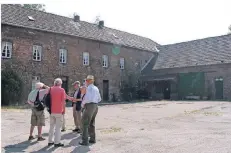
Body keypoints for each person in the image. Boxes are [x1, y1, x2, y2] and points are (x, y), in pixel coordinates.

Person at [48, 78, 72, 147]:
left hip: (51, 111)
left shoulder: (51, 89)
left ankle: (50, 141)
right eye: (61, 83)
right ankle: (57, 142)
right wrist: (63, 110)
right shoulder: (62, 90)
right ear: (60, 83)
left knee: (51, 127)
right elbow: (63, 102)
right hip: (58, 111)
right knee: (58, 128)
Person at [79, 75, 101, 146]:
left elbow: (86, 99)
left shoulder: (88, 88)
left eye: (86, 81)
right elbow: (99, 99)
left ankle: (85, 141)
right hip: (95, 106)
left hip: (89, 106)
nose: (85, 82)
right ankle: (92, 138)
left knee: (85, 123)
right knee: (92, 122)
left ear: (88, 81)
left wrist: (82, 105)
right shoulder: (96, 88)